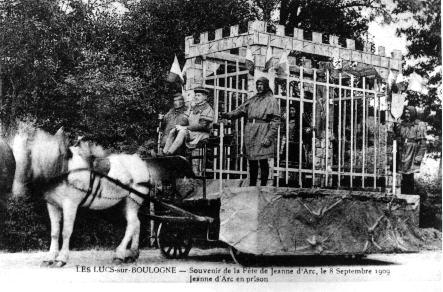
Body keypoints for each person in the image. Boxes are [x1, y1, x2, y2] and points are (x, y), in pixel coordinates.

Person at [220, 77, 280, 186]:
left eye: (261, 84)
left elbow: (276, 121)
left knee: (262, 160)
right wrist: (227, 115)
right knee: (252, 160)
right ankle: (252, 186)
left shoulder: (272, 100)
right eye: (258, 84)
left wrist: (268, 137)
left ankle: (263, 186)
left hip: (262, 130)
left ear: (266, 85)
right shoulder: (253, 99)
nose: (259, 87)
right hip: (250, 131)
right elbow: (240, 110)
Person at [162, 87, 214, 155]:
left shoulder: (207, 109)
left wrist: (185, 127)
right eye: (195, 95)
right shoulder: (193, 107)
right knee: (173, 131)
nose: (196, 97)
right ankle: (164, 152)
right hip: (191, 132)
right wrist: (178, 126)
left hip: (202, 134)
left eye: (199, 95)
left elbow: (202, 126)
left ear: (205, 97)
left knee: (182, 132)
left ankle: (169, 153)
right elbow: (184, 119)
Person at [394, 105, 427, 194]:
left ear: (413, 113)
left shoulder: (419, 124)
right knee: (403, 175)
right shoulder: (401, 124)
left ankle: (410, 194)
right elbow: (397, 136)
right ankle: (403, 194)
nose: (407, 115)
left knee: (409, 175)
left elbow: (423, 143)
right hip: (402, 150)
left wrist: (419, 157)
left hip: (412, 151)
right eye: (405, 113)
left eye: (409, 113)